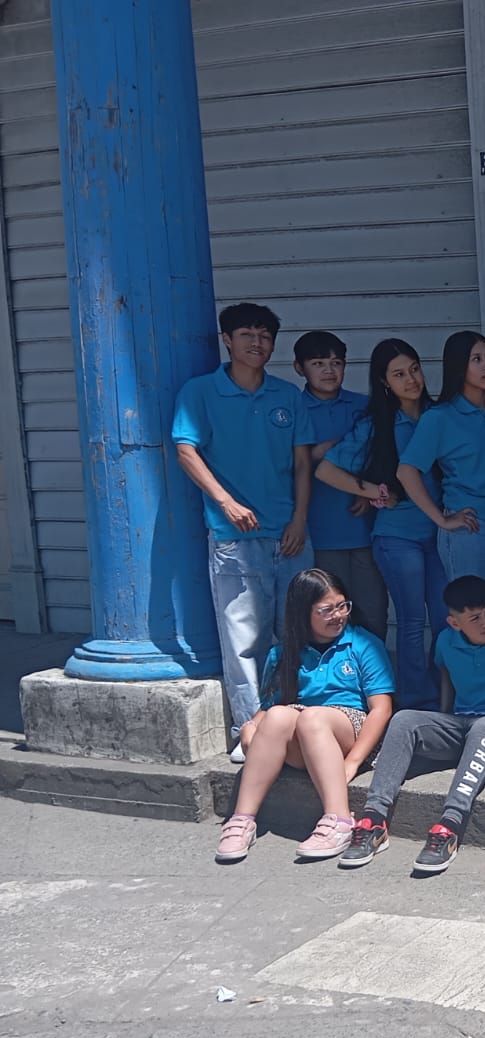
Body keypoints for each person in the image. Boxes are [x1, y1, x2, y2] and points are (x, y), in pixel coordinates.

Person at [173, 302, 316, 750]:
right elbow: (186, 450)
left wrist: (299, 519)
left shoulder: (287, 395)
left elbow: (302, 466)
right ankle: (250, 733)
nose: (258, 343)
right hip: (234, 538)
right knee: (243, 642)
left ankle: (296, 725)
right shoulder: (200, 393)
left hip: (288, 535)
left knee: (298, 633)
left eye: (265, 336)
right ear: (227, 341)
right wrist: (225, 501)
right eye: (248, 335)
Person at [340, 575, 485, 876]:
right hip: (464, 722)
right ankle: (374, 818)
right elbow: (446, 676)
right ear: (455, 622)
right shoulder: (446, 642)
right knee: (405, 718)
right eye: (475, 617)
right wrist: (444, 717)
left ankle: (449, 825)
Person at [214, 568, 395, 863]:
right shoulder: (283, 654)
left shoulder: (363, 644)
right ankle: (242, 819)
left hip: (350, 729)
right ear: (303, 613)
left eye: (342, 606)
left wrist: (352, 762)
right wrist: (250, 728)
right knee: (276, 717)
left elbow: (382, 709)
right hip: (304, 735)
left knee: (311, 717)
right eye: (326, 610)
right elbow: (273, 705)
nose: (337, 615)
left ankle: (339, 820)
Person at [317, 339, 448, 710]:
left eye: (415, 369)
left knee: (443, 617)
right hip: (396, 535)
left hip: (441, 535)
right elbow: (326, 469)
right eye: (399, 374)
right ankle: (417, 702)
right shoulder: (378, 424)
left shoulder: (438, 415)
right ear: (385, 382)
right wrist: (373, 489)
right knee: (410, 620)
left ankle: (446, 697)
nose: (411, 380)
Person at [398, 330, 485, 624]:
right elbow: (406, 471)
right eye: (477, 359)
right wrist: (441, 519)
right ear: (459, 366)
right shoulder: (440, 417)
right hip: (469, 533)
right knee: (474, 623)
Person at [296, 330, 385, 639]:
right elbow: (288, 464)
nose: (328, 370)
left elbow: (383, 456)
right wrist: (325, 449)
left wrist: (366, 489)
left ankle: (375, 682)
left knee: (372, 613)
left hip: (364, 528)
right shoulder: (293, 408)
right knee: (325, 617)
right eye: (318, 363)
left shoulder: (364, 406)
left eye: (336, 362)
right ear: (299, 368)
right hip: (317, 532)